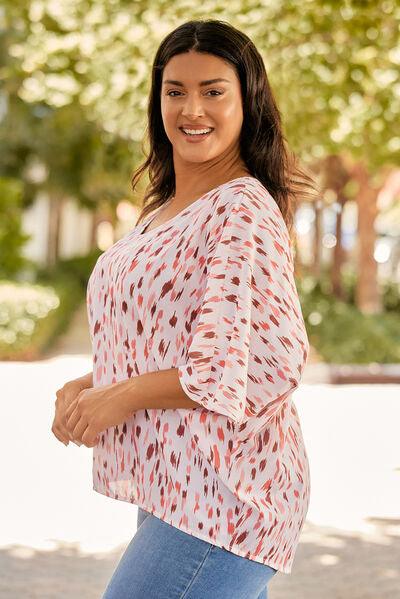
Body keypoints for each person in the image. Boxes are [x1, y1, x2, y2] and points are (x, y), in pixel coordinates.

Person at [52, 18, 317, 599]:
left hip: (229, 493)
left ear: (248, 101)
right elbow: (182, 343)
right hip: (177, 485)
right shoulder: (165, 209)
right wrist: (94, 381)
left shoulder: (241, 209)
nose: (191, 109)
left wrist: (118, 396)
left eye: (213, 91)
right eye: (175, 91)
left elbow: (236, 366)